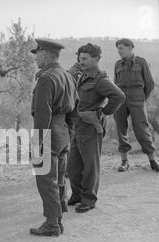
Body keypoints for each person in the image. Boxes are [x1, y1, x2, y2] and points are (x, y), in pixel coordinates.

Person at [68, 43, 125, 213]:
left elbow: (119, 96)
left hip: (91, 127)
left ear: (96, 59)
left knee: (90, 165)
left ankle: (88, 199)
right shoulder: (83, 76)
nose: (81, 61)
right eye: (80, 58)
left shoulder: (100, 80)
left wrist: (102, 112)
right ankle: (77, 195)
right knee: (74, 165)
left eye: (85, 59)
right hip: (79, 125)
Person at [29, 38, 78, 237]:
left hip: (48, 132)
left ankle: (52, 224)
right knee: (58, 178)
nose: (35, 58)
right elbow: (75, 108)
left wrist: (37, 142)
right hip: (63, 131)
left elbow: (43, 114)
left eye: (37, 54)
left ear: (47, 54)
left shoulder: (46, 78)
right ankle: (59, 215)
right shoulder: (67, 76)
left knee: (46, 181)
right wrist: (68, 132)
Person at [114, 38, 159, 172]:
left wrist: (141, 99)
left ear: (131, 48)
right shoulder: (117, 64)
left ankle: (153, 160)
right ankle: (124, 161)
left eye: (121, 48)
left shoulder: (141, 62)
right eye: (118, 48)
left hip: (137, 100)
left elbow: (149, 84)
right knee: (120, 129)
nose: (119, 51)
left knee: (141, 129)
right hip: (121, 100)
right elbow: (115, 84)